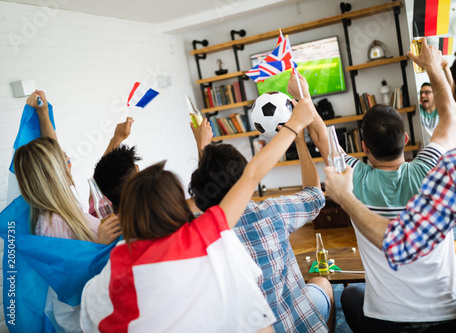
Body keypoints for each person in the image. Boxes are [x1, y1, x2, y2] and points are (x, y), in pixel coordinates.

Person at [80, 93, 318, 332]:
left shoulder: (118, 255)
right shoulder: (194, 237)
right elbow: (249, 177)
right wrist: (295, 126)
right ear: (174, 206)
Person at [292, 39, 456, 331]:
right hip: (454, 319)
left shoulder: (352, 178)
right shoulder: (431, 166)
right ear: (405, 140)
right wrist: (432, 68)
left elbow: (319, 135)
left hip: (387, 324)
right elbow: (451, 116)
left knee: (352, 294)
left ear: (364, 147)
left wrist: (302, 96)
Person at [189, 117, 333, 331]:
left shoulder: (198, 232)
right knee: (323, 284)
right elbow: (315, 196)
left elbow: (209, 193)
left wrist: (203, 148)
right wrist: (300, 141)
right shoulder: (273, 211)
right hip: (296, 322)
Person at [13, 90, 121, 245]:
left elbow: (52, 144)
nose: (67, 156)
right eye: (61, 156)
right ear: (54, 173)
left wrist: (43, 113)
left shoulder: (66, 204)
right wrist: (102, 243)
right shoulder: (53, 223)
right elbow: (70, 268)